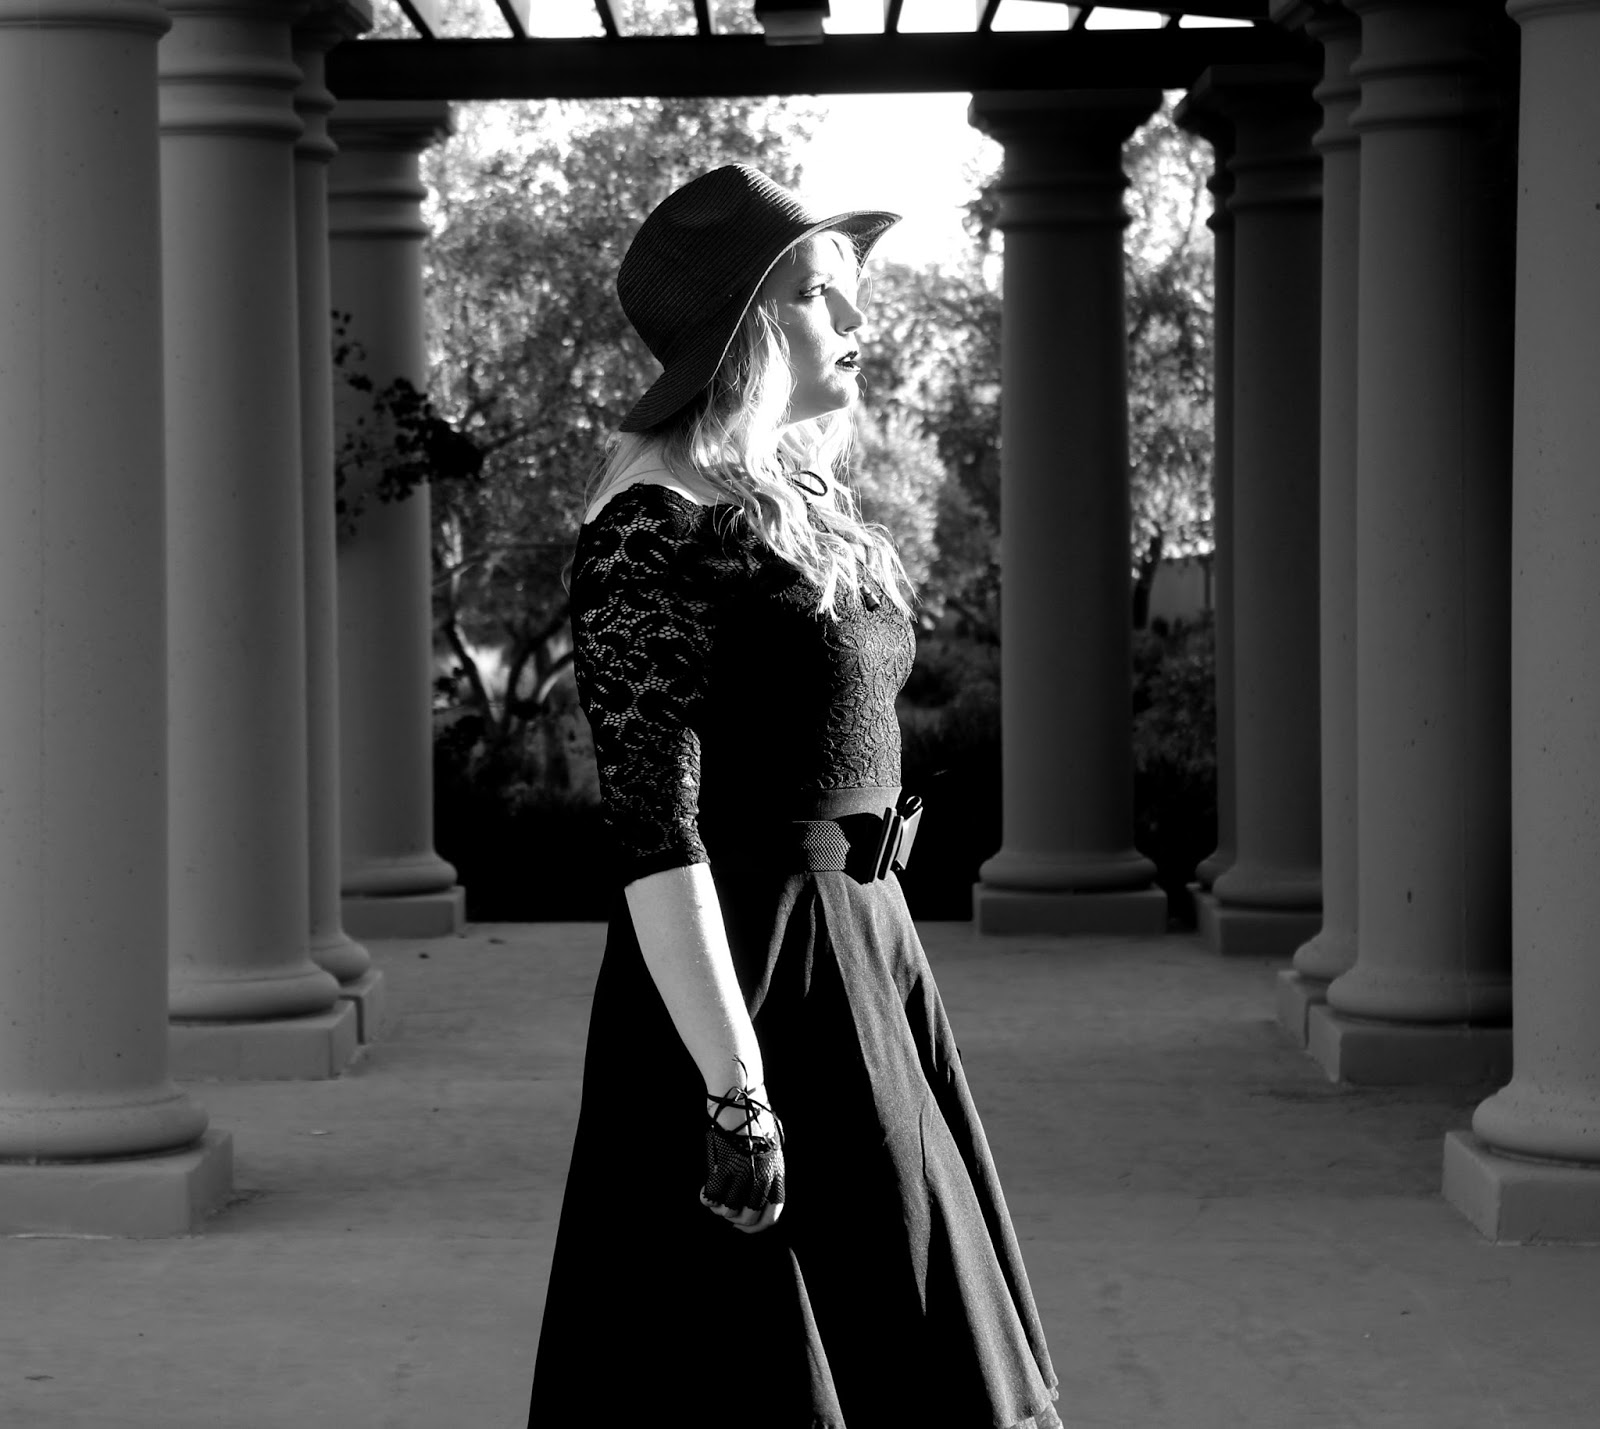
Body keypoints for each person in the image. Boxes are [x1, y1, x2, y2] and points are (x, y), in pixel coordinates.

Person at [528, 164, 1060, 1428]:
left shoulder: (797, 501)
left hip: (868, 954)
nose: (859, 319)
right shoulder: (647, 526)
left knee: (919, 1338)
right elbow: (656, 834)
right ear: (747, 329)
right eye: (823, 293)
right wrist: (736, 1091)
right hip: (752, 982)